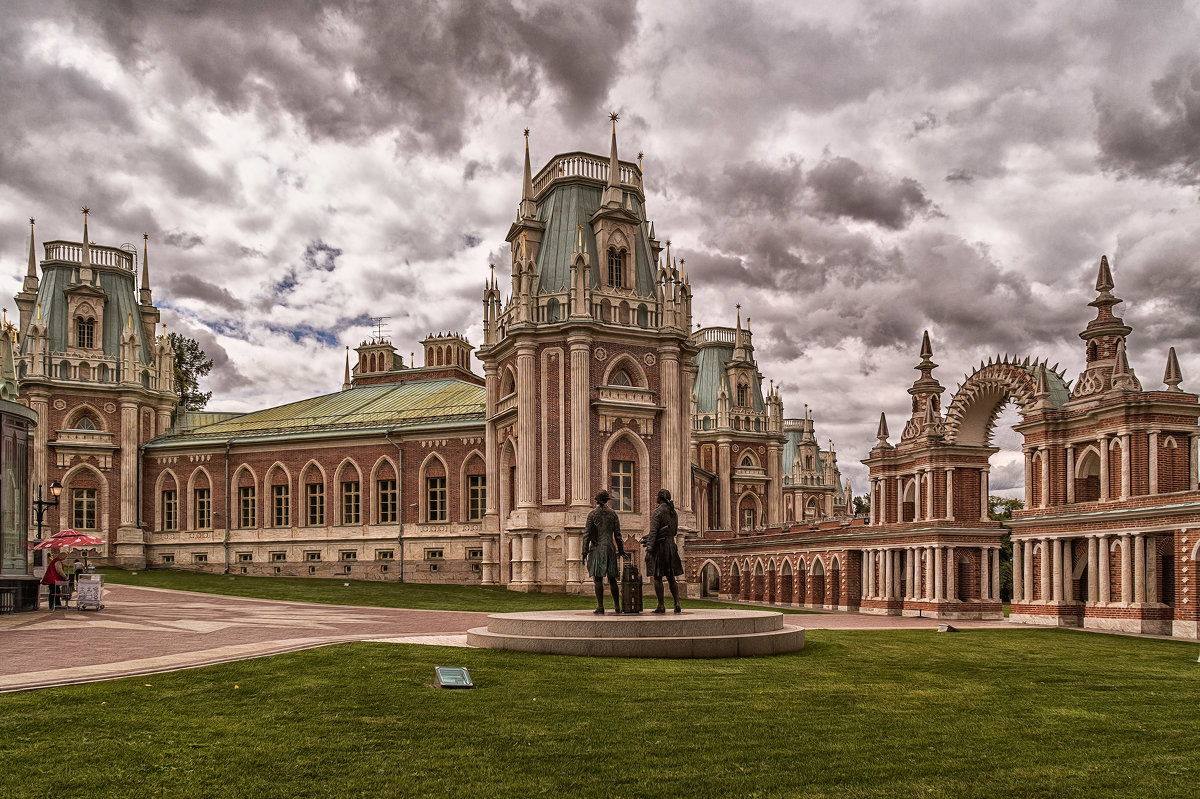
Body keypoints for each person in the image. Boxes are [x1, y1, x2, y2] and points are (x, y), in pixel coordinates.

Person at [582, 490, 624, 614]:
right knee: (612, 579)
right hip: (610, 548)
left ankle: (600, 607)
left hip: (597, 548)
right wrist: (621, 550)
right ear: (606, 500)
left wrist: (584, 551)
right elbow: (618, 535)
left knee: (598, 578)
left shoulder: (592, 514)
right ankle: (617, 606)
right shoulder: (613, 514)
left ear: (597, 501)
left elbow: (587, 535)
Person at [643, 488, 684, 614]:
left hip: (660, 547)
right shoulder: (673, 513)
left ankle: (661, 605)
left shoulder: (658, 512)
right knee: (671, 577)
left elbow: (654, 532)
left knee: (657, 577)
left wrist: (649, 548)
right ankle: (677, 603)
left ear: (660, 498)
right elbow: (675, 531)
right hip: (671, 546)